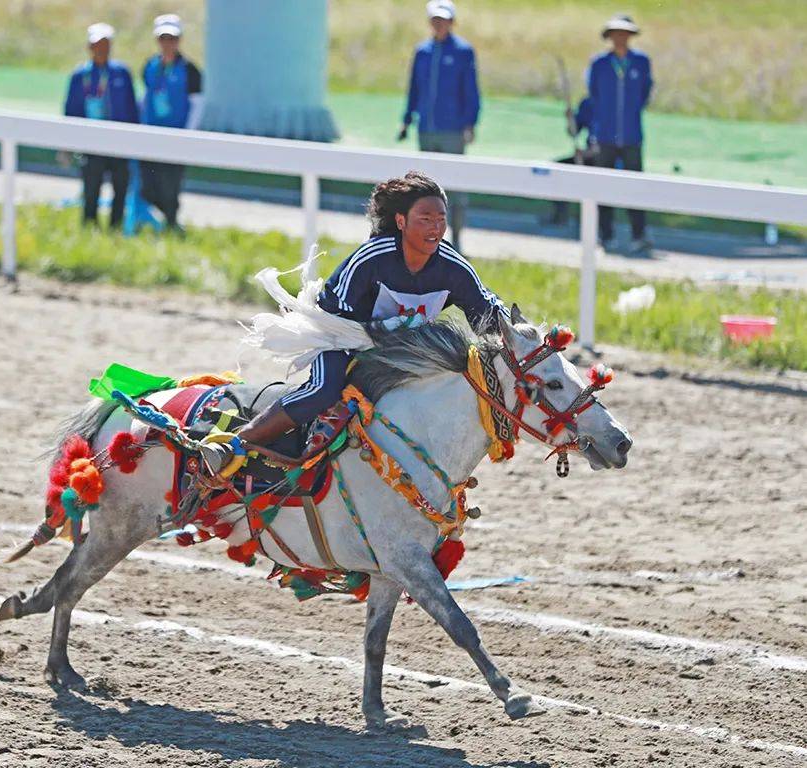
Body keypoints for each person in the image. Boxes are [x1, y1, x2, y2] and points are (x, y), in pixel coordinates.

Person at [203, 171, 508, 473]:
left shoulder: (453, 267)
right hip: (341, 338)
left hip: (400, 351)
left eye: (441, 219)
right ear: (400, 222)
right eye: (425, 219)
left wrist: (517, 333)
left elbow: (487, 312)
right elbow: (334, 316)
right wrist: (379, 335)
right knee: (323, 391)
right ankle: (234, 446)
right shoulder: (372, 258)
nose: (435, 228)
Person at [398, 0, 480, 253]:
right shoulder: (422, 52)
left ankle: (456, 239)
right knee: (425, 188)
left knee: (454, 186)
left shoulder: (463, 52)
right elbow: (414, 88)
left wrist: (470, 122)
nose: (439, 24)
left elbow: (471, 90)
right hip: (427, 128)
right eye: (435, 19)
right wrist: (407, 118)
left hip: (453, 129)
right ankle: (426, 239)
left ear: (452, 22)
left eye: (443, 20)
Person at [587, 14, 653, 253]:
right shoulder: (600, 64)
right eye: (615, 34)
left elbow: (644, 93)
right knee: (603, 186)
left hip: (631, 135)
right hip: (605, 135)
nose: (620, 38)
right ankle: (606, 234)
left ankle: (639, 233)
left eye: (624, 33)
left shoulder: (641, 62)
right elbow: (594, 95)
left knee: (635, 186)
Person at [64, 23, 139, 228]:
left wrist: (135, 140)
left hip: (119, 141)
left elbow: (132, 109)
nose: (101, 49)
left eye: (105, 44)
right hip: (91, 141)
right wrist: (67, 144)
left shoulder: (121, 73)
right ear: (89, 47)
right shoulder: (80, 75)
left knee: (121, 187)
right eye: (97, 44)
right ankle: (89, 227)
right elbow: (71, 110)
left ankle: (116, 228)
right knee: (91, 187)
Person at [140, 14, 202, 232]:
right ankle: (158, 220)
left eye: (172, 38)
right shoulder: (150, 66)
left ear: (179, 40)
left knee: (171, 183)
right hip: (151, 134)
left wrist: (188, 134)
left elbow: (197, 105)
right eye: (163, 38)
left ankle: (172, 224)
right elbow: (146, 97)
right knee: (147, 184)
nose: (168, 43)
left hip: (176, 135)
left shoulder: (189, 70)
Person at [544, 96, 597, 226]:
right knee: (558, 168)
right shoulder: (587, 103)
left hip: (604, 157)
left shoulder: (613, 103)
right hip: (587, 156)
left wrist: (588, 153)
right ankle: (561, 213)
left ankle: (593, 222)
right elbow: (573, 132)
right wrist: (570, 118)